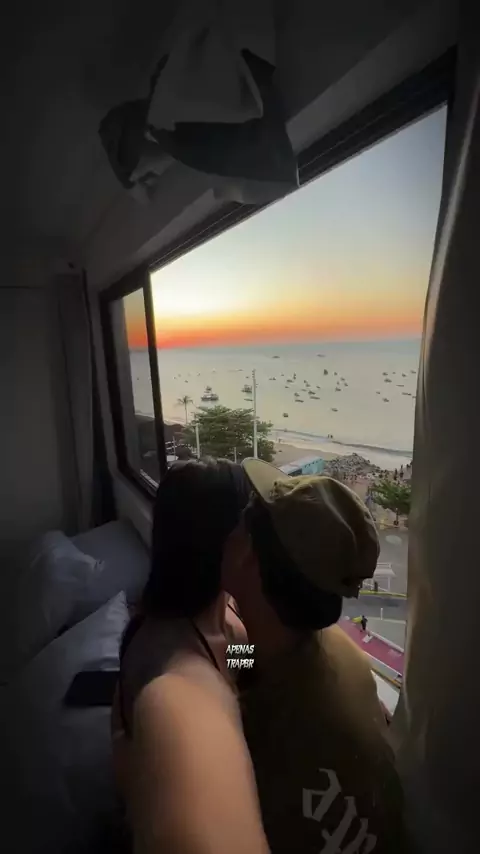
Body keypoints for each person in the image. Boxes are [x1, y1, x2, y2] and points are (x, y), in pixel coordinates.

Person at [221, 459, 406, 854]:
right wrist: (223, 655)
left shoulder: (258, 742)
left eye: (237, 522)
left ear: (248, 554)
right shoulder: (337, 650)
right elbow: (252, 658)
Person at [113, 458, 270, 854]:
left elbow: (241, 667)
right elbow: (184, 711)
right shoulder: (174, 670)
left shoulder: (226, 620)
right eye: (251, 527)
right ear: (223, 545)